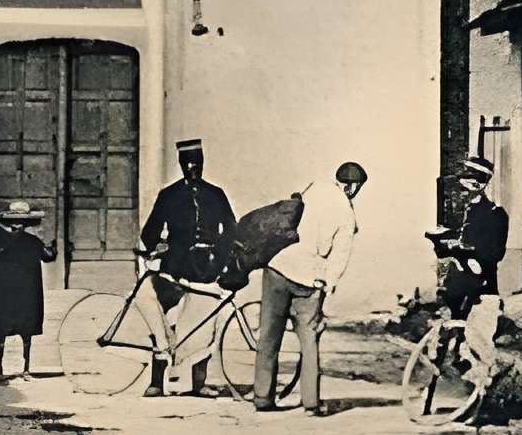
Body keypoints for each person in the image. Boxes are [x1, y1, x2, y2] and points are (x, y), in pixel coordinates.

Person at [253, 161, 366, 415]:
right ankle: (311, 403)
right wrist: (328, 285)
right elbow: (339, 256)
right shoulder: (347, 215)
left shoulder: (314, 188)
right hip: (309, 278)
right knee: (309, 341)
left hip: (278, 266)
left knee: (269, 336)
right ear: (353, 187)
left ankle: (262, 398)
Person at [134, 138, 237, 398]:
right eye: (188, 163)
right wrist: (149, 251)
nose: (192, 168)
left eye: (197, 163)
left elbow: (230, 228)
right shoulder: (169, 195)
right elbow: (151, 230)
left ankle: (198, 383)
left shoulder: (215, 194)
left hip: (208, 268)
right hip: (176, 267)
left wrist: (221, 257)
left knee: (204, 323)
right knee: (164, 321)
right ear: (180, 164)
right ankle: (157, 381)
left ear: (202, 163)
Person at [430, 153, 509, 385]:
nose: (463, 188)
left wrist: (465, 249)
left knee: (479, 346)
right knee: (447, 347)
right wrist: (441, 244)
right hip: (458, 289)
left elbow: (494, 254)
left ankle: (482, 399)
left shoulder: (495, 215)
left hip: (482, 290)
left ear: (481, 184)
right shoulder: (461, 214)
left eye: (469, 181)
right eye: (462, 181)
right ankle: (449, 394)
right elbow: (445, 252)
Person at [0, 202, 56, 379]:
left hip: (2, 291)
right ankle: (26, 369)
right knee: (27, 332)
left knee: (0, 331)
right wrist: (51, 244)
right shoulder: (33, 241)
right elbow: (48, 256)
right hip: (26, 292)